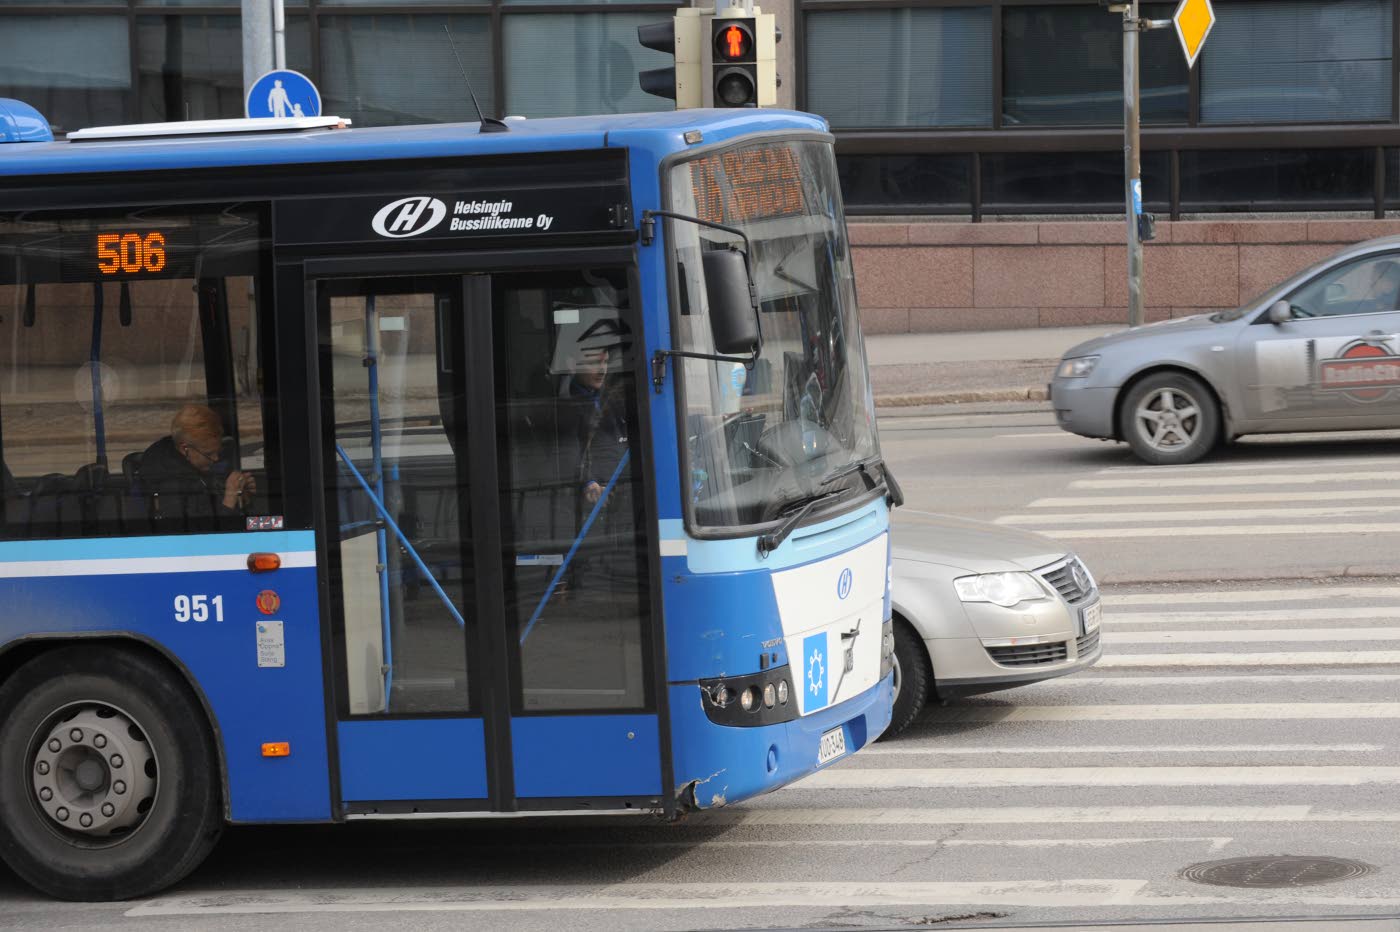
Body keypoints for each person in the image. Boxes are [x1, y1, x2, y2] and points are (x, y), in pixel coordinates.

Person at [137, 404, 255, 525]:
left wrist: (241, 497)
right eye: (209, 454)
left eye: (217, 452)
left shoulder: (196, 468)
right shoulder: (170, 484)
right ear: (185, 449)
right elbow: (196, 535)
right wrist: (229, 498)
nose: (215, 458)